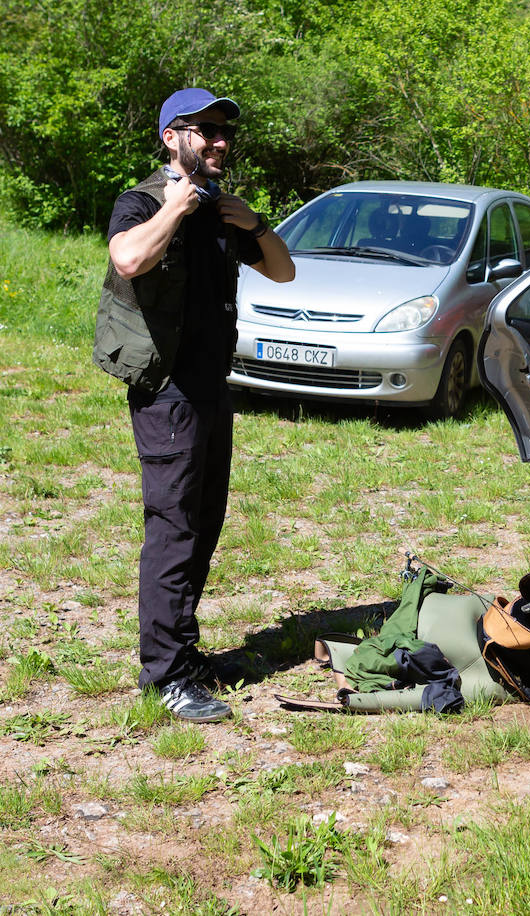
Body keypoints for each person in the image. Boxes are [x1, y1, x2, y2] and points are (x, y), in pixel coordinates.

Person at [97, 88, 295, 721]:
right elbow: (128, 258)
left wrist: (253, 223)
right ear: (170, 137)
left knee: (204, 521)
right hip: (167, 394)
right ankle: (165, 676)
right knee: (173, 529)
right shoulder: (143, 202)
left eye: (223, 132)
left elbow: (284, 272)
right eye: (203, 130)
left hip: (213, 390)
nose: (217, 141)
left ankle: (185, 655)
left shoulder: (218, 211)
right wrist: (176, 208)